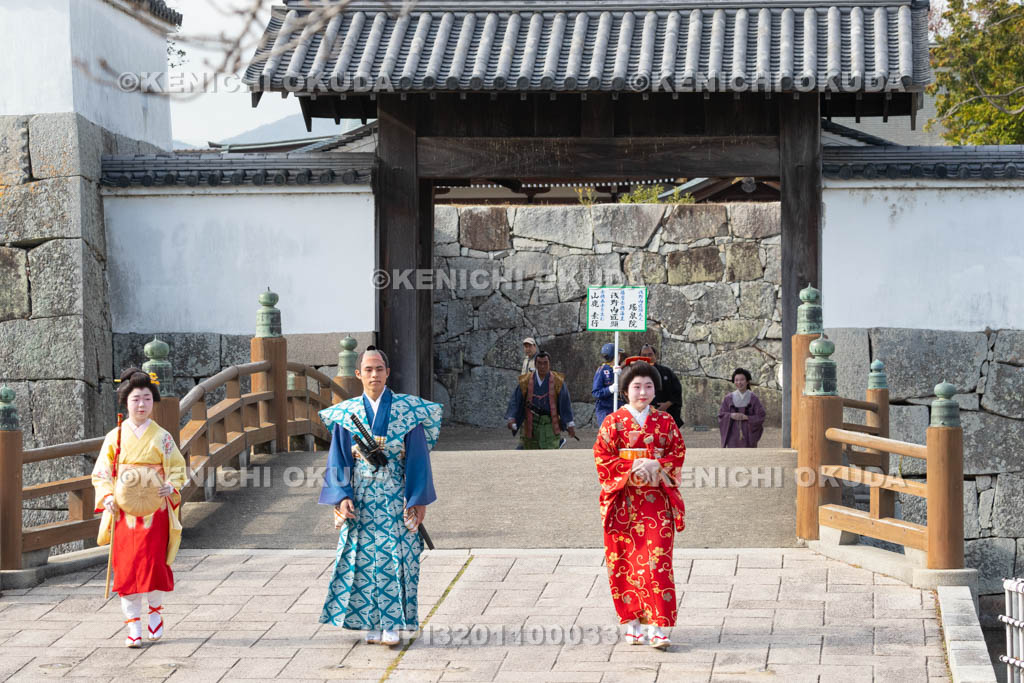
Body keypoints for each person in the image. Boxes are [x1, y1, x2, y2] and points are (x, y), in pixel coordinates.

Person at [317, 346, 441, 646]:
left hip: (396, 495)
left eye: (379, 369)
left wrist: (418, 499)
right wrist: (342, 495)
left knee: (399, 559)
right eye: (368, 369)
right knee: (362, 559)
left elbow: (417, 458)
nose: (374, 374)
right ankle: (370, 623)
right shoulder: (347, 414)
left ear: (388, 373)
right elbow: (339, 458)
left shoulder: (408, 411)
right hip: (360, 497)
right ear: (358, 374)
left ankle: (394, 624)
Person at [593, 360, 686, 649]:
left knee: (658, 563)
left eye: (648, 386)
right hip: (623, 503)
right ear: (625, 390)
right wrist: (631, 467)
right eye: (636, 387)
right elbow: (602, 457)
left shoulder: (665, 422)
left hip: (656, 502)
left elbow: (678, 453)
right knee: (623, 562)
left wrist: (657, 463)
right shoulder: (613, 422)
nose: (643, 392)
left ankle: (660, 626)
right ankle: (632, 623)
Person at [91, 368, 187, 648]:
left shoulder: (162, 437)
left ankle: (155, 613)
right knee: (127, 568)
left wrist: (171, 485)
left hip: (154, 509)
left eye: (146, 398)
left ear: (153, 402)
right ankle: (133, 625)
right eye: (136, 399)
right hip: (124, 510)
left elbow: (178, 469)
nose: (142, 405)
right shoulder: (115, 437)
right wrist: (107, 495)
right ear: (126, 402)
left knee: (154, 564)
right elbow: (101, 473)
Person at [505, 351, 577, 449]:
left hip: (550, 422)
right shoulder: (525, 380)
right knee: (530, 451)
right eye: (539, 363)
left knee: (550, 451)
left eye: (545, 363)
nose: (542, 366)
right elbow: (516, 400)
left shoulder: (558, 381)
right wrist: (512, 418)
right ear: (535, 364)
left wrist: (569, 423)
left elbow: (565, 403)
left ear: (549, 364)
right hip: (531, 422)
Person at [718, 367, 767, 448]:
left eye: (742, 380)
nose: (739, 382)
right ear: (734, 381)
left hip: (748, 434)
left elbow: (761, 415)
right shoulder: (728, 398)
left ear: (747, 381)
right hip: (733, 434)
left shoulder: (753, 398)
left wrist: (747, 417)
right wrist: (731, 416)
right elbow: (721, 415)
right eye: (736, 380)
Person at [640, 343, 684, 428]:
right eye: (644, 355)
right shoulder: (636, 374)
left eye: (650, 354)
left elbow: (677, 391)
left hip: (665, 413)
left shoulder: (666, 372)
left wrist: (667, 404)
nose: (647, 357)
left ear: (655, 356)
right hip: (643, 414)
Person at [591, 342, 617, 425]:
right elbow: (596, 393)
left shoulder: (619, 369)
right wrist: (610, 389)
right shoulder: (601, 370)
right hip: (605, 408)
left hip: (619, 407)